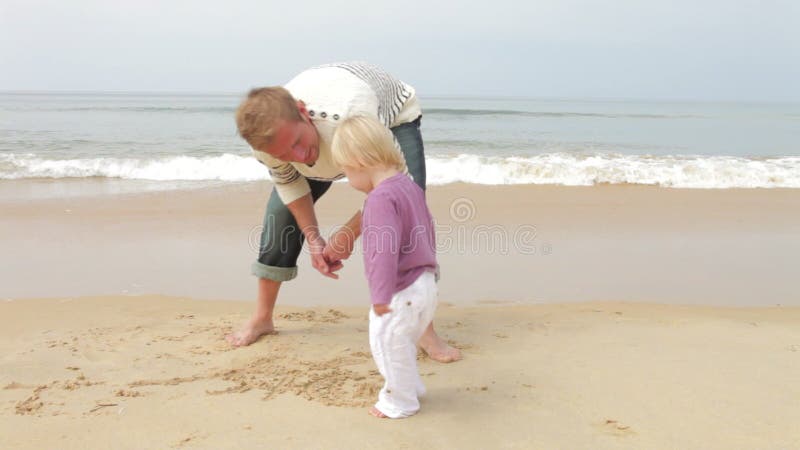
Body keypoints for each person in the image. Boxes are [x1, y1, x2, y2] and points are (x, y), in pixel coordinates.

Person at [228, 62, 461, 363]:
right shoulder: (267, 144)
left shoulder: (352, 113)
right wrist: (314, 240)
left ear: (302, 111)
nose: (300, 159)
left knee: (407, 216)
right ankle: (262, 317)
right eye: (284, 154)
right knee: (279, 218)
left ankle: (425, 330)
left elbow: (393, 191)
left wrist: (348, 234)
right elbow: (290, 184)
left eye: (298, 143)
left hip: (389, 120)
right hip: (328, 134)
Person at [331, 115, 438, 418]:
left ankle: (399, 401)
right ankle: (412, 387)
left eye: (346, 172)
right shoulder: (409, 186)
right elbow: (426, 230)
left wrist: (380, 296)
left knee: (386, 341)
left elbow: (382, 252)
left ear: (358, 161)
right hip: (426, 283)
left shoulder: (379, 198)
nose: (349, 181)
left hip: (400, 289)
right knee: (403, 342)